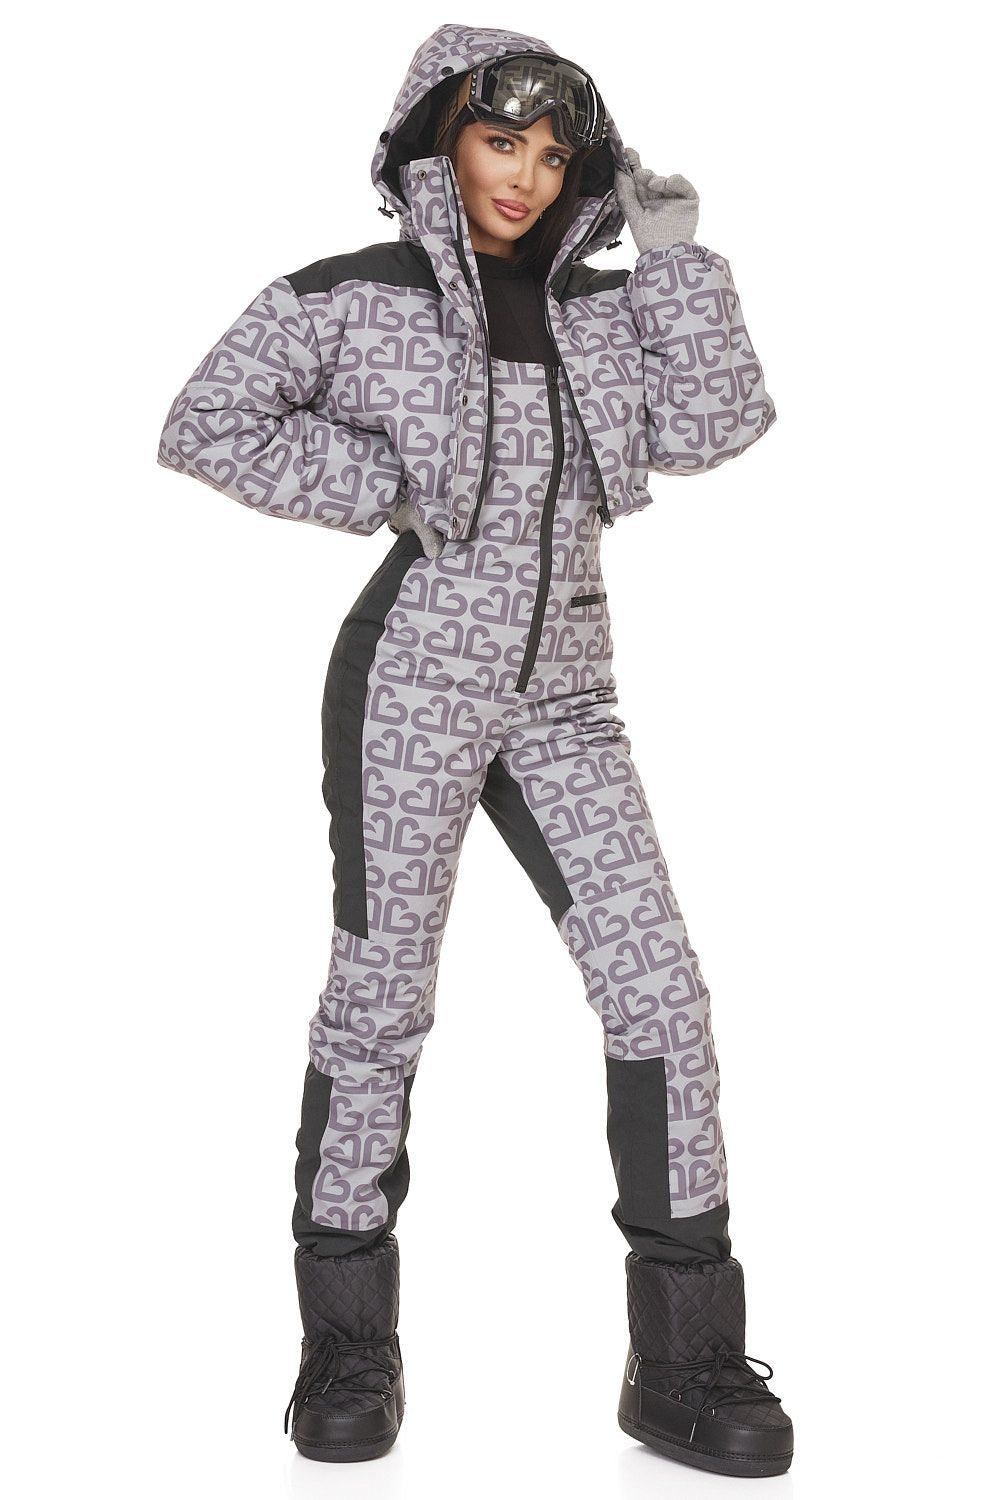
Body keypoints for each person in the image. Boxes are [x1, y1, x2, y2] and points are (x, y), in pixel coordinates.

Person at [156, 22, 791, 1477]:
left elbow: (717, 426)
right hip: (413, 681)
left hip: (568, 697)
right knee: (381, 999)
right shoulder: (346, 298)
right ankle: (346, 1342)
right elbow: (203, 422)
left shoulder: (608, 311)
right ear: (438, 141)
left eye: (556, 154)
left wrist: (679, 263)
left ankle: (684, 1362)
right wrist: (384, 482)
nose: (527, 176)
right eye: (503, 141)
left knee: (661, 993)